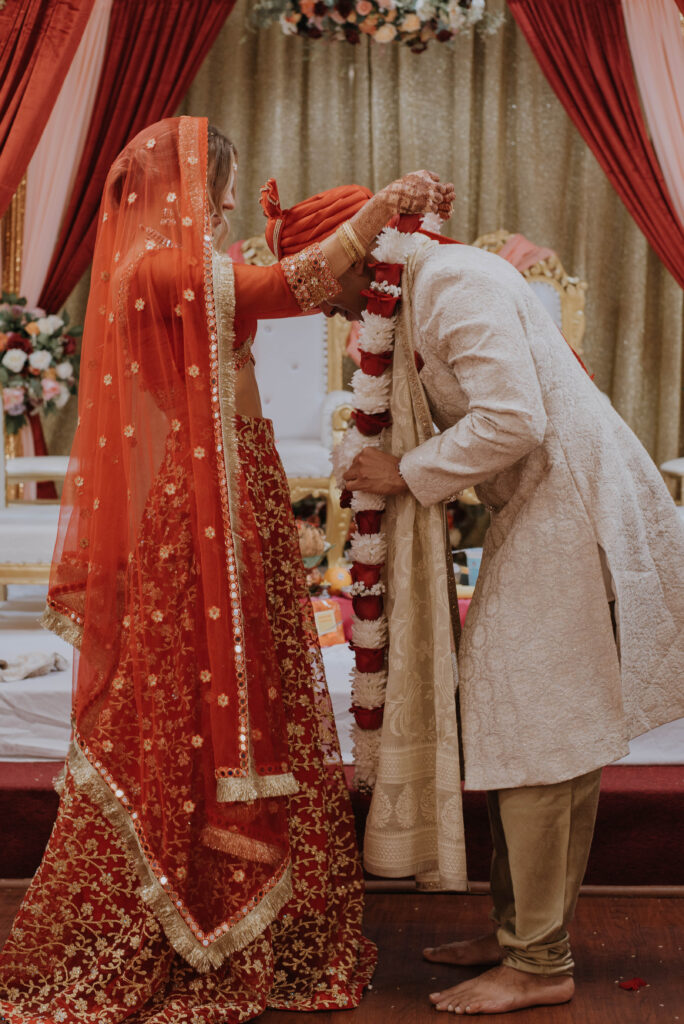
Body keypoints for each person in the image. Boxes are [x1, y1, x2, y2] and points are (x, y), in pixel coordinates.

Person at [0, 116, 454, 1022]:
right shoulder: (160, 268)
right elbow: (292, 284)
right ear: (186, 187)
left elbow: (269, 280)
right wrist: (384, 212)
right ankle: (194, 904)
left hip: (234, 487)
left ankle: (254, 909)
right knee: (201, 704)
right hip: (203, 506)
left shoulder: (176, 265)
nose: (233, 202)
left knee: (257, 689)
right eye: (222, 185)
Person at [259, 190, 684, 1016]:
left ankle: (538, 961)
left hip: (574, 510)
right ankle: (522, 932)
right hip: (543, 511)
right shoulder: (421, 290)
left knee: (533, 726)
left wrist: (404, 474)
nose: (316, 299)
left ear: (356, 257)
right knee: (546, 725)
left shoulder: (455, 283)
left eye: (319, 278)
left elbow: (513, 419)